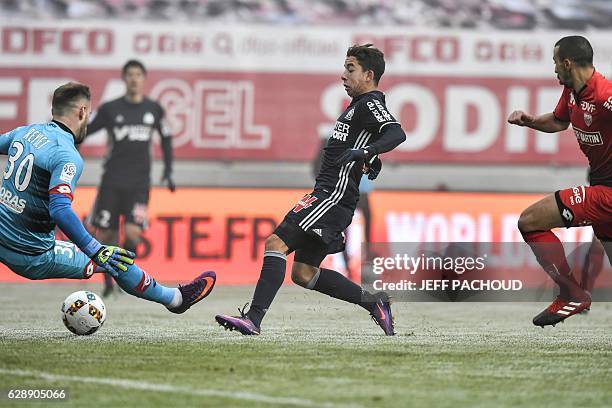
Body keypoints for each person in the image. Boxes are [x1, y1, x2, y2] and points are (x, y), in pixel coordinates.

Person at [215, 44, 406, 336]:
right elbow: (363, 143)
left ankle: (253, 319)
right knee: (303, 274)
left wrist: (368, 151)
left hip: (331, 195)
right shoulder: (358, 106)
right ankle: (374, 303)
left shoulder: (369, 103)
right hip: (331, 194)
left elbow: (396, 132)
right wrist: (371, 157)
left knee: (275, 244)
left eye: (350, 69)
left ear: (369, 75)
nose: (343, 75)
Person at [0, 82, 215, 314]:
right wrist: (96, 250)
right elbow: (60, 210)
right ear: (82, 112)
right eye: (89, 113)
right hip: (31, 255)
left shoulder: (24, 132)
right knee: (115, 260)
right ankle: (175, 299)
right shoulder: (66, 154)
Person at [508, 36, 612, 327]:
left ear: (567, 63)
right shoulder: (572, 91)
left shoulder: (605, 95)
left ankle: (571, 294)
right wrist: (529, 121)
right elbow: (558, 121)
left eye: (555, 63)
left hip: (607, 193)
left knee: (530, 221)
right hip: (600, 186)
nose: (554, 69)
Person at [86, 60, 175, 297]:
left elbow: (166, 137)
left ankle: (124, 277)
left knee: (134, 233)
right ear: (124, 79)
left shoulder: (154, 109)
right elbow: (86, 131)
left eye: (138, 75)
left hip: (139, 184)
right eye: (130, 75)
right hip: (112, 181)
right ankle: (107, 282)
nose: (134, 79)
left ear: (144, 79)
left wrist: (168, 170)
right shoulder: (110, 109)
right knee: (106, 235)